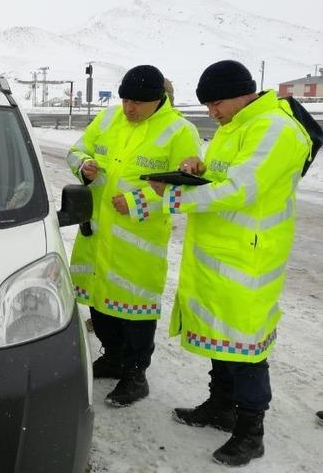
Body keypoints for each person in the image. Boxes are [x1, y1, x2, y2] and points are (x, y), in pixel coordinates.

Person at [145, 60, 312, 466]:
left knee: (246, 345)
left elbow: (240, 188)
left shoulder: (275, 129)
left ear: (243, 93)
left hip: (248, 258)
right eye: (207, 105)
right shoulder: (233, 127)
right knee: (222, 334)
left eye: (216, 103)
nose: (211, 112)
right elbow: (222, 176)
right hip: (218, 251)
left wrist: (175, 196)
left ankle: (250, 431)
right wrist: (197, 168)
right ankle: (220, 406)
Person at [66, 64, 201, 407]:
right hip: (97, 231)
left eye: (138, 103)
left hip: (137, 241)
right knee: (100, 303)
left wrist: (136, 202)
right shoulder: (109, 119)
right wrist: (84, 165)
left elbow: (182, 188)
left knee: (136, 310)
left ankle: (135, 375)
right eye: (126, 100)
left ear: (158, 100)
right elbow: (76, 150)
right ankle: (112, 359)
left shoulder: (179, 131)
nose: (129, 108)